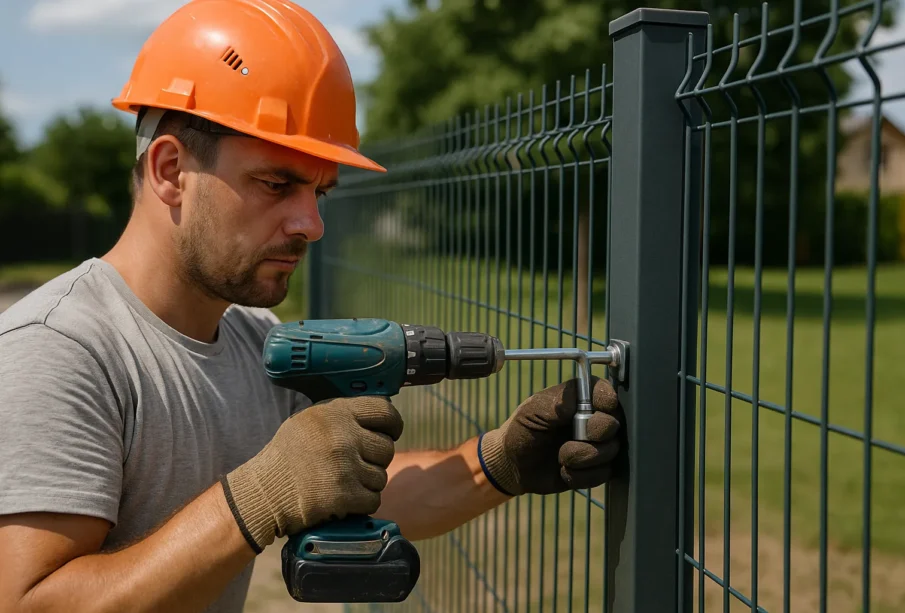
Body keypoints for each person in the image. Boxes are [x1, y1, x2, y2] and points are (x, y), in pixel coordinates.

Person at [0, 1, 622, 612]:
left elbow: (355, 491)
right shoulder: (59, 350)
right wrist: (257, 498)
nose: (312, 224)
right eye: (277, 183)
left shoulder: (251, 336)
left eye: (319, 191)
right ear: (170, 170)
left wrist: (500, 462)